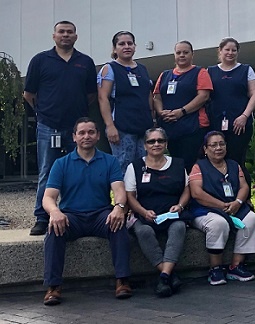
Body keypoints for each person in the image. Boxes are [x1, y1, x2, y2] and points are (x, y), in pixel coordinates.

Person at [41, 117, 131, 306]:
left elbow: (120, 191)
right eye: (81, 133)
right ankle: (53, 286)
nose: (86, 136)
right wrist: (54, 212)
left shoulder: (110, 161)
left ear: (98, 136)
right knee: (53, 230)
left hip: (100, 214)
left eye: (91, 132)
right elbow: (48, 197)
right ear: (74, 137)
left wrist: (119, 208)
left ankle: (122, 280)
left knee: (119, 224)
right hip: (71, 216)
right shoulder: (61, 164)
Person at [24, 21, 98, 236]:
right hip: (49, 127)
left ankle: (74, 212)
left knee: (79, 169)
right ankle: (41, 216)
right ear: (54, 36)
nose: (65, 35)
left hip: (77, 129)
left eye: (70, 32)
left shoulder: (85, 62)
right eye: (61, 32)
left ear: (76, 36)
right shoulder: (40, 60)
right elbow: (29, 94)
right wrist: (44, 114)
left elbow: (91, 95)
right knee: (47, 171)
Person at [124, 127, 189, 297]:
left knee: (179, 228)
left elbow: (187, 189)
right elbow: (130, 196)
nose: (156, 144)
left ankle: (164, 276)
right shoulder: (135, 166)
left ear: (166, 143)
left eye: (160, 140)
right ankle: (169, 274)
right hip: (145, 214)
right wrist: (143, 212)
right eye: (151, 141)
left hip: (172, 213)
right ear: (145, 145)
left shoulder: (178, 164)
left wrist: (180, 206)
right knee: (143, 231)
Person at [189, 131, 255, 285]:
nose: (218, 148)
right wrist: (221, 205)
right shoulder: (198, 167)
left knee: (252, 219)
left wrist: (238, 202)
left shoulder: (234, 165)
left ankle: (236, 265)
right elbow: (196, 193)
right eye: (213, 145)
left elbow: (244, 187)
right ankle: (215, 268)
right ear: (205, 149)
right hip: (205, 210)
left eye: (221, 144)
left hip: (234, 207)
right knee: (218, 224)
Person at [206, 37, 255, 189]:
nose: (230, 53)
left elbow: (254, 94)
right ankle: (221, 193)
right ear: (220, 51)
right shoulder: (210, 71)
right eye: (227, 50)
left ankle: (243, 197)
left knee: (236, 161)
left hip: (239, 125)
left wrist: (244, 116)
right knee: (217, 160)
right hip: (216, 123)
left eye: (234, 50)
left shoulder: (246, 70)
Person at [98, 31, 154, 175]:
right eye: (121, 44)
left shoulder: (143, 69)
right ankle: (120, 198)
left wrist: (153, 120)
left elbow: (148, 96)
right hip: (121, 128)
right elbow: (102, 98)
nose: (126, 46)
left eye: (130, 43)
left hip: (143, 127)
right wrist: (110, 126)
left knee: (144, 168)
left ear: (135, 46)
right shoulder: (109, 68)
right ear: (114, 48)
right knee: (123, 167)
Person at [153, 40, 212, 172]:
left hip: (193, 128)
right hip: (169, 128)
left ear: (192, 54)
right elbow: (156, 96)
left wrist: (182, 111)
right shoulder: (164, 75)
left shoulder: (200, 72)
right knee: (175, 164)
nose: (182, 55)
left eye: (186, 52)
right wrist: (161, 112)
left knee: (190, 165)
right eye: (178, 52)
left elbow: (203, 96)